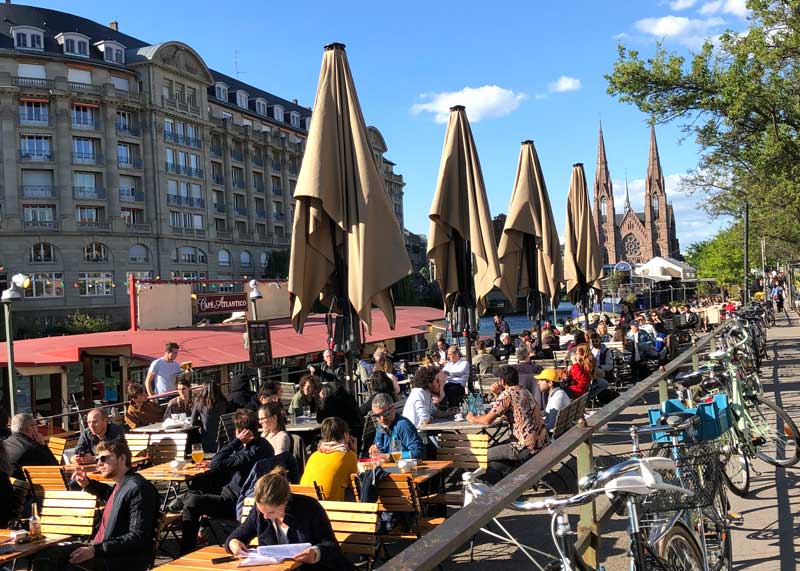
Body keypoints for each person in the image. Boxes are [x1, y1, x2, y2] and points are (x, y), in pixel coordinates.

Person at [181, 409, 274, 554]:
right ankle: (193, 521)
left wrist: (236, 442)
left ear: (240, 431)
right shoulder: (264, 446)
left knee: (192, 502)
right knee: (195, 490)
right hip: (238, 494)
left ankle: (185, 551)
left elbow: (215, 463)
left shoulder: (249, 453)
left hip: (233, 502)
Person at [226, 467, 354, 570]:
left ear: (285, 502)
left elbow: (331, 546)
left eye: (270, 512)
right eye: (261, 511)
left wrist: (315, 553)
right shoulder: (260, 512)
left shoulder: (308, 507)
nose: (265, 516)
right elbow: (238, 536)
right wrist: (234, 543)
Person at [65, 440, 158, 571]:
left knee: (60, 564)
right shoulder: (123, 484)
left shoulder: (139, 489)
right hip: (101, 550)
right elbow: (113, 496)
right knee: (48, 555)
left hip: (114, 559)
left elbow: (137, 536)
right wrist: (88, 484)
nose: (99, 463)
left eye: (103, 458)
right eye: (97, 459)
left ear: (122, 458)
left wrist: (95, 550)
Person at [467, 365, 547, 484]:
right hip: (541, 442)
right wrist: (497, 394)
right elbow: (509, 410)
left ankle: (509, 479)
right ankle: (508, 475)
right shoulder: (524, 390)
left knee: (477, 455)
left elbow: (487, 420)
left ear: (502, 381)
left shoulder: (508, 394)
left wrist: (472, 418)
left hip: (522, 446)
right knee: (495, 453)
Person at [300, 417, 358, 502]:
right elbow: (354, 484)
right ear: (345, 435)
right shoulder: (348, 456)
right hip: (330, 507)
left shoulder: (314, 456)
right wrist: (354, 452)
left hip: (306, 504)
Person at [368, 394, 425, 460]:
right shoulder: (381, 426)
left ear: (393, 409)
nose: (382, 418)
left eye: (385, 413)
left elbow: (419, 453)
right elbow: (380, 450)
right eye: (377, 416)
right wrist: (375, 450)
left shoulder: (403, 425)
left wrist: (390, 457)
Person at [4, 413, 58, 479]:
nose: (38, 428)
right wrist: (43, 445)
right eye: (36, 425)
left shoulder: (5, 444)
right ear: (29, 429)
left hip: (11, 484)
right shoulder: (33, 448)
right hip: (29, 487)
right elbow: (55, 468)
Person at [191, 380, 232, 453]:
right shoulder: (224, 402)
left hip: (206, 441)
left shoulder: (199, 402)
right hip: (223, 441)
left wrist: (200, 423)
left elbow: (192, 421)